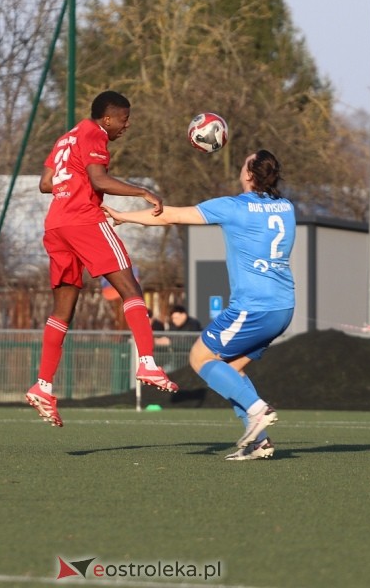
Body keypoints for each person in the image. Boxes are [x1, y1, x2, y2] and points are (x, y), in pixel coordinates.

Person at [105, 149, 295, 460]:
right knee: (232, 368)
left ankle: (258, 408)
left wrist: (123, 216)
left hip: (253, 307)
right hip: (283, 308)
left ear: (249, 174)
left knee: (200, 357)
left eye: (244, 163)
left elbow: (169, 215)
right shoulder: (286, 208)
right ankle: (260, 442)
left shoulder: (234, 207)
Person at [26, 90, 178, 428]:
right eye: (124, 119)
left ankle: (43, 385)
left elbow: (46, 183)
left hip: (56, 224)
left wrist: (71, 186)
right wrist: (142, 191)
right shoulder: (94, 134)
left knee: (62, 309)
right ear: (107, 118)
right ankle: (148, 362)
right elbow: (99, 179)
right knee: (130, 287)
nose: (127, 125)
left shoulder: (67, 137)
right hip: (83, 221)